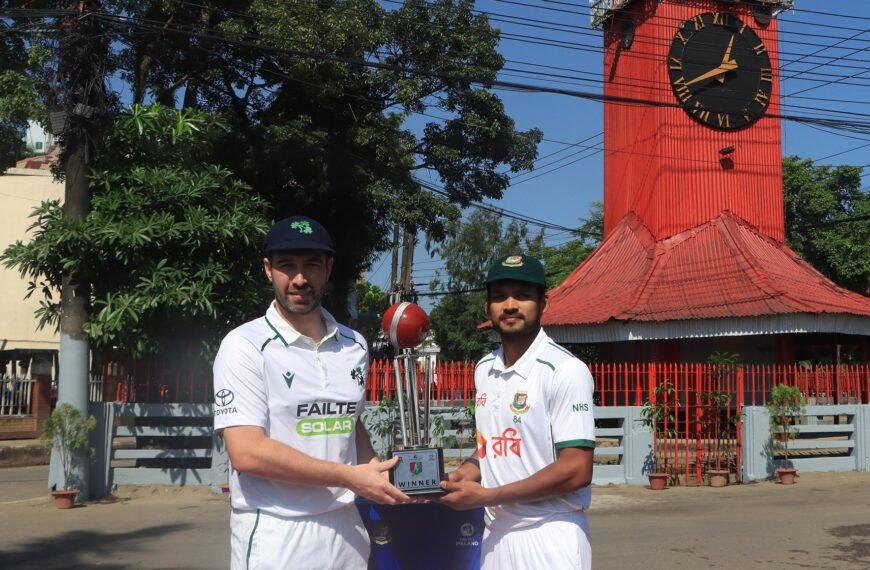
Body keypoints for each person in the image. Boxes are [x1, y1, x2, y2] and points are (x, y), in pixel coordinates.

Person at [213, 215, 409, 570]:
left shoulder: (354, 345)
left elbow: (351, 422)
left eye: (311, 265)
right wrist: (349, 476)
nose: (300, 279)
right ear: (268, 270)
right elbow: (246, 452)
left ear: (328, 268)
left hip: (345, 528)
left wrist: (378, 474)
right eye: (288, 266)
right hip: (277, 530)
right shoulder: (244, 345)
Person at [439, 253, 596, 570]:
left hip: (550, 535)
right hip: (497, 536)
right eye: (499, 297)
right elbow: (493, 447)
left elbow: (577, 469)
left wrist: (486, 496)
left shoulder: (565, 370)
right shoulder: (484, 368)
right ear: (488, 308)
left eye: (523, 296)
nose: (510, 305)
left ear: (543, 304)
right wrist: (462, 475)